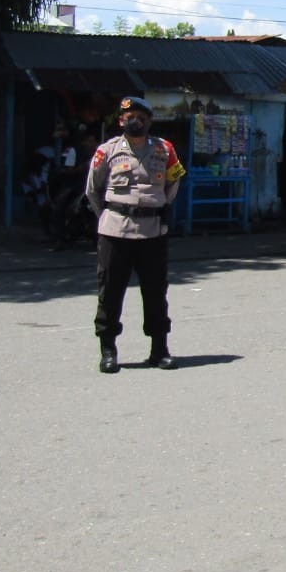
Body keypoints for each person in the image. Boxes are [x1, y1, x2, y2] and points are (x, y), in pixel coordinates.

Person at [86, 96, 186, 373]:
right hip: (115, 231)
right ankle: (108, 351)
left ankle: (159, 350)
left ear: (149, 121)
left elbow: (174, 181)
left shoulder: (166, 150)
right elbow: (92, 190)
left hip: (152, 232)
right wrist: (110, 216)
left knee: (155, 292)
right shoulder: (105, 152)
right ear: (120, 121)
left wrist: (159, 208)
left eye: (141, 116)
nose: (135, 120)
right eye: (129, 116)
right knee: (110, 291)